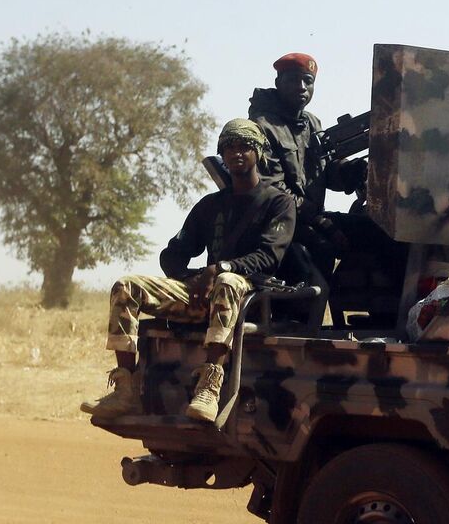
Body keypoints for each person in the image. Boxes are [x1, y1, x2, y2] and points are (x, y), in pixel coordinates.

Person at [82, 119, 296, 422]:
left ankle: (210, 386)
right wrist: (191, 279)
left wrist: (219, 269)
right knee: (126, 286)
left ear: (258, 153)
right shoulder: (210, 205)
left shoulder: (278, 203)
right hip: (205, 293)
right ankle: (126, 389)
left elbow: (268, 256)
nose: (236, 153)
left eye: (245, 146)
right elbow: (173, 253)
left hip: (248, 293)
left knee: (227, 281)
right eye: (229, 147)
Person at [247, 52, 350, 325]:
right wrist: (320, 221)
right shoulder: (262, 126)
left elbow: (326, 175)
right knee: (322, 248)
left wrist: (348, 172)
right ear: (279, 81)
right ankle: (300, 322)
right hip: (279, 222)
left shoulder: (312, 124)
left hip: (312, 218)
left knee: (373, 234)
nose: (302, 88)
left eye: (308, 81)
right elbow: (274, 189)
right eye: (294, 80)